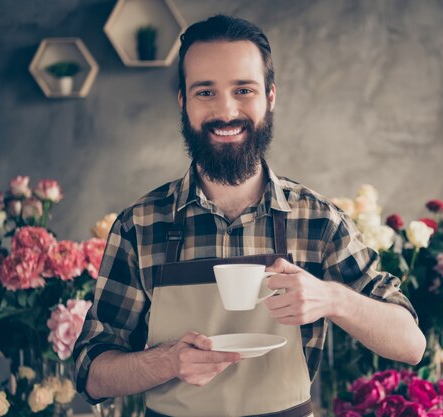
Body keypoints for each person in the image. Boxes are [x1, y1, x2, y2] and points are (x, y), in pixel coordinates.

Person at [73, 14, 425, 417]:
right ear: (183, 101)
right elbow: (90, 373)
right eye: (206, 92)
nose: (226, 111)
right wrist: (166, 361)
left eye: (244, 89)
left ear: (270, 97)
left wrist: (331, 298)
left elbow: (411, 344)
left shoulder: (318, 221)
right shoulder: (140, 226)